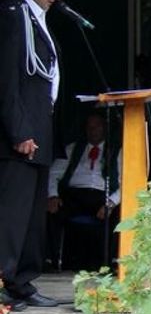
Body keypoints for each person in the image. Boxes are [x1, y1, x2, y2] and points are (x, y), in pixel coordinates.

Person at [0, 0, 74, 311]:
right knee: (12, 213)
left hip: (40, 126)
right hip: (21, 132)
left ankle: (21, 282)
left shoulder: (37, 17)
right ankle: (3, 278)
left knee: (32, 215)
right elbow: (6, 81)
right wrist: (19, 131)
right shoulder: (13, 15)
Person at [47, 110, 121, 271]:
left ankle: (111, 263)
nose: (92, 130)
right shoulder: (72, 149)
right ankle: (51, 260)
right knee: (52, 211)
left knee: (119, 214)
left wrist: (111, 203)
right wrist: (52, 195)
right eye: (89, 127)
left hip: (102, 196)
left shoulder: (116, 151)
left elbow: (124, 182)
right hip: (75, 195)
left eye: (97, 126)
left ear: (105, 128)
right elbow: (53, 174)